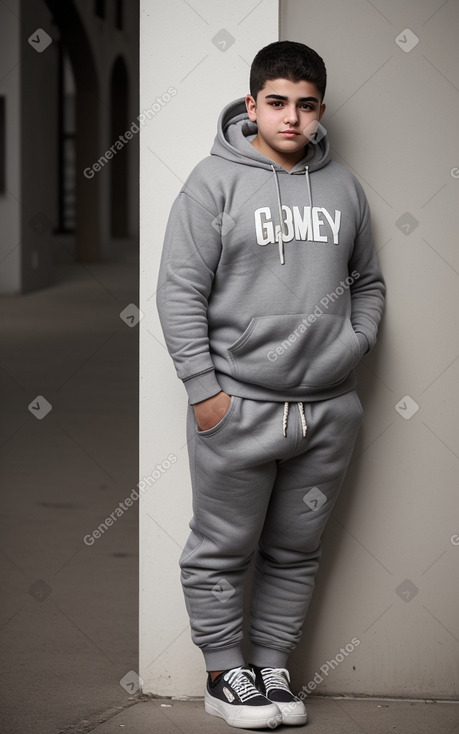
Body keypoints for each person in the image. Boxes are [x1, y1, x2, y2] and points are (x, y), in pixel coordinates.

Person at [156, 40, 385, 729]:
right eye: (277, 103)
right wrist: (205, 393)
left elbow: (368, 282)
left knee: (294, 549)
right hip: (238, 406)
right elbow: (178, 292)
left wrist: (354, 345)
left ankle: (273, 667)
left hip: (327, 410)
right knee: (221, 546)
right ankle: (226, 676)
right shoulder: (211, 182)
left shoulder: (344, 187)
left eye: (305, 105)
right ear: (252, 105)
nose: (291, 119)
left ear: (319, 110)